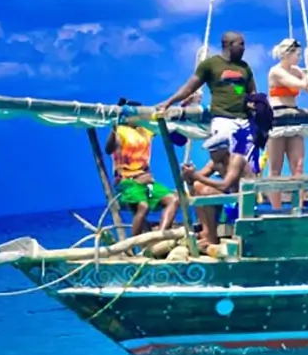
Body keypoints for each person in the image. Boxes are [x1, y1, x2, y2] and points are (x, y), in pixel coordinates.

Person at [181, 93, 273, 246]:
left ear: (223, 150)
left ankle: (211, 236)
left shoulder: (237, 159)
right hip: (229, 199)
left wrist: (196, 176)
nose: (210, 154)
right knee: (198, 187)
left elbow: (224, 185)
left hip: (243, 201)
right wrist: (188, 175)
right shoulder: (215, 162)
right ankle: (206, 231)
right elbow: (197, 179)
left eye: (212, 151)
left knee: (206, 191)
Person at [155, 31, 256, 141]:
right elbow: (189, 88)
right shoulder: (210, 65)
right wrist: (168, 102)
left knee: (243, 157)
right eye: (241, 44)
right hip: (223, 120)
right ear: (230, 44)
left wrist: (254, 105)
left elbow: (252, 92)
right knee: (223, 155)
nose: (244, 48)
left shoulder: (245, 67)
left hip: (244, 121)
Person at [104, 101, 179, 238]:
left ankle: (159, 236)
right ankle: (132, 244)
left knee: (173, 199)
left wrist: (186, 103)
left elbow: (163, 121)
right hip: (127, 181)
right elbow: (108, 149)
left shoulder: (146, 130)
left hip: (147, 181)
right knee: (143, 206)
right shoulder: (120, 131)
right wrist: (113, 128)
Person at [264, 38, 308, 209]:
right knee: (276, 168)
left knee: (298, 166)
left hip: (294, 116)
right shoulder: (276, 72)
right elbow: (301, 85)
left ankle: (299, 206)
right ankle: (276, 208)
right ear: (287, 54)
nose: (299, 57)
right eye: (297, 54)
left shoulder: (296, 70)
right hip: (277, 118)